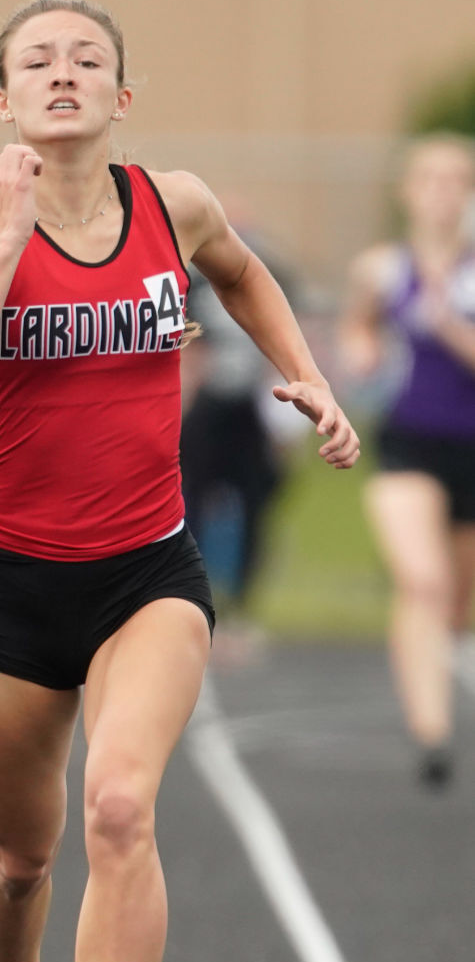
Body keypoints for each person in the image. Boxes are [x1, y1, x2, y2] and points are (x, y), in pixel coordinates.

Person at [0, 0, 358, 962]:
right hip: (6, 585)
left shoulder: (177, 204)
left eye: (87, 59)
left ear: (123, 93)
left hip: (148, 571)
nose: (65, 75)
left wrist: (304, 378)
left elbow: (246, 275)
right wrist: (6, 240)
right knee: (16, 859)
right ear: (3, 99)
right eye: (37, 62)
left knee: (118, 806)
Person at [340, 134, 475, 789]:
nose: (443, 191)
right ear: (408, 191)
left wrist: (447, 323)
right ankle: (432, 734)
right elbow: (356, 326)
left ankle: (444, 658)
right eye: (430, 178)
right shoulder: (381, 268)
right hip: (407, 442)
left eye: (457, 179)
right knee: (421, 581)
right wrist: (360, 349)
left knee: (455, 602)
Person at [178, 201, 294, 646]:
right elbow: (185, 346)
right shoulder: (194, 283)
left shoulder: (270, 279)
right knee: (192, 506)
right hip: (206, 408)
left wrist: (284, 423)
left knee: (255, 506)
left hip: (252, 409)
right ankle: (196, 599)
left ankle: (242, 605)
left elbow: (288, 341)